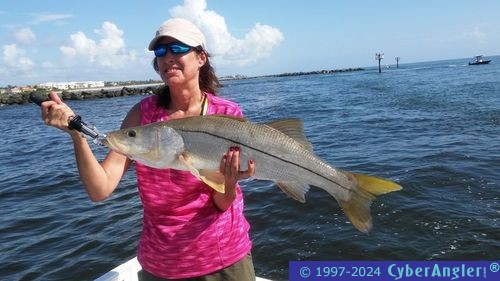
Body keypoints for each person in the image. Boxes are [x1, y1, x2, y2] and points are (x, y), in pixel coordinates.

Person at [40, 18, 256, 281]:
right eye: (161, 51)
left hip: (221, 261)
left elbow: (222, 203)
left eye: (177, 48)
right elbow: (100, 188)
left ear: (201, 57)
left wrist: (229, 184)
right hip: (159, 265)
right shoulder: (142, 116)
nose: (168, 57)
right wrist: (77, 136)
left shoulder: (225, 114)